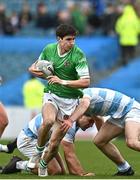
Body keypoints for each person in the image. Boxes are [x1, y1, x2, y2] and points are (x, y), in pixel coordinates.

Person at [28, 23, 90, 176]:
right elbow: (34, 67)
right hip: (52, 95)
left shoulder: (78, 54)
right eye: (68, 39)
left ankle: (43, 165)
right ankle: (37, 152)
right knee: (48, 121)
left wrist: (62, 81)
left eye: (74, 39)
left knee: (55, 143)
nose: (72, 43)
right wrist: (41, 73)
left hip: (70, 101)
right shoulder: (49, 49)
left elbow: (86, 82)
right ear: (59, 39)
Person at [62, 87, 140, 176]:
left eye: (91, 122)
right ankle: (125, 169)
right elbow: (98, 119)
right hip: (119, 114)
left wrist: (70, 120)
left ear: (81, 115)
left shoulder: (82, 101)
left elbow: (85, 104)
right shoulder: (80, 106)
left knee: (132, 142)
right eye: (90, 121)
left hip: (131, 109)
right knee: (99, 141)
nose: (91, 125)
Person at [1, 113, 97, 176]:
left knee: (61, 172)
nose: (92, 125)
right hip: (29, 141)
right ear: (81, 116)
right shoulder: (69, 122)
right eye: (90, 121)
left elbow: (55, 144)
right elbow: (69, 153)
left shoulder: (71, 119)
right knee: (54, 171)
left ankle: (19, 160)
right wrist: (81, 174)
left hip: (42, 142)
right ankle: (18, 164)